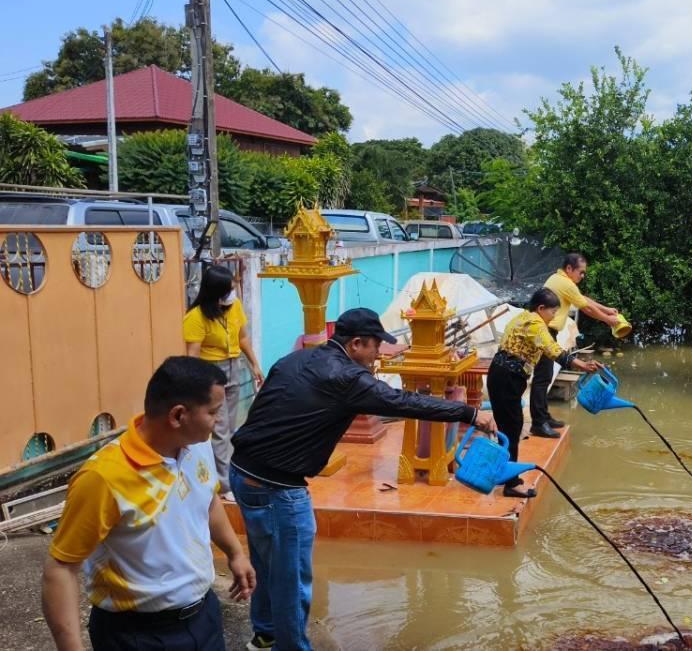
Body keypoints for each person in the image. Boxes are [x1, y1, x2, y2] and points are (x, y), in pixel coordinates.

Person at [229, 308, 496, 651]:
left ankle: (265, 635)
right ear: (356, 344)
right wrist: (469, 412)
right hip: (278, 488)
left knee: (268, 564)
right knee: (293, 580)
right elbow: (403, 402)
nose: (377, 356)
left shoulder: (295, 359)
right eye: (374, 347)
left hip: (243, 473)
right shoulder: (349, 378)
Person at [42, 357, 255, 651]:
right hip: (137, 636)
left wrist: (235, 553)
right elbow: (61, 569)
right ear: (178, 416)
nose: (220, 421)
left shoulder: (197, 445)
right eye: (214, 412)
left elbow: (207, 502)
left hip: (203, 616)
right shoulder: (103, 478)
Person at [489, 288, 602, 498]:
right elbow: (553, 350)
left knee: (507, 428)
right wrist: (582, 365)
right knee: (512, 429)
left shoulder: (522, 317)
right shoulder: (535, 323)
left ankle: (504, 473)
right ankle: (511, 484)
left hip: (501, 374)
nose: (553, 317)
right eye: (552, 312)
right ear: (541, 308)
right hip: (508, 378)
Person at [183, 265, 264, 497]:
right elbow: (193, 354)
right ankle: (226, 485)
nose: (233, 293)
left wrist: (254, 365)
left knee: (229, 427)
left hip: (233, 367)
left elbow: (243, 337)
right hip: (211, 373)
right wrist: (195, 385)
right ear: (214, 292)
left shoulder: (235, 307)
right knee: (220, 429)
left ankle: (227, 473)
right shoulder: (196, 317)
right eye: (228, 290)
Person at [531, 253, 621, 437]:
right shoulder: (564, 283)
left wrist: (605, 310)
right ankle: (539, 424)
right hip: (544, 333)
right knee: (542, 379)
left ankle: (544, 417)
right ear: (569, 269)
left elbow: (583, 299)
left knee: (545, 376)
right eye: (581, 272)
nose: (583, 276)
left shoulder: (561, 281)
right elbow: (585, 307)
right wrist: (609, 320)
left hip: (546, 331)